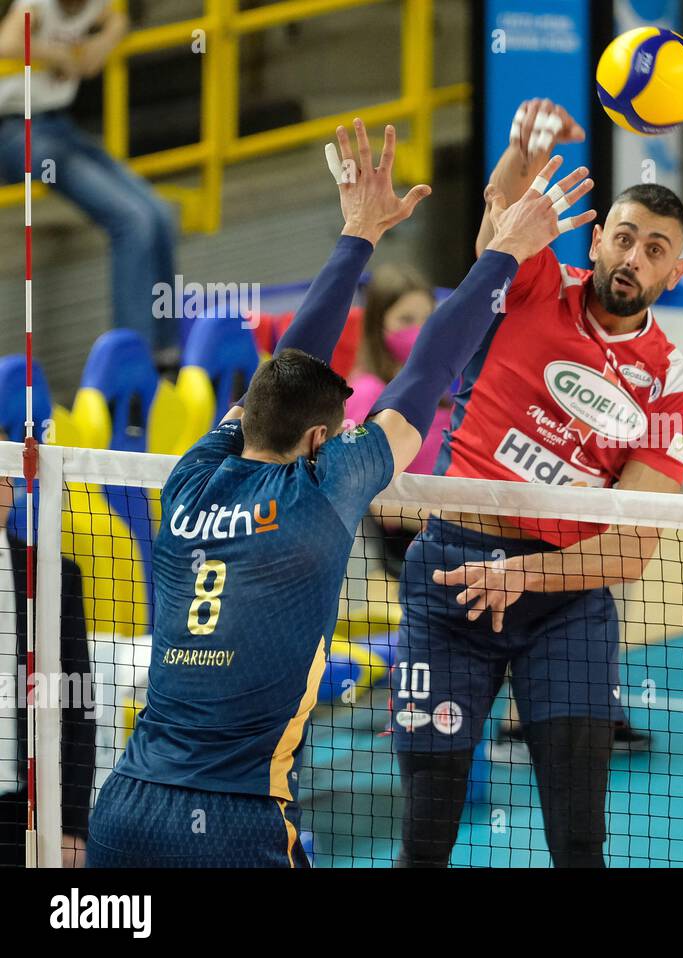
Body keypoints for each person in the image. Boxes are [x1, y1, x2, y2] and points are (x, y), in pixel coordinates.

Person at [84, 120, 592, 866]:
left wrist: (357, 235)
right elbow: (427, 373)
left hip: (122, 808)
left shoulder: (192, 474)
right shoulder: (323, 492)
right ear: (321, 442)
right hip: (235, 822)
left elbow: (287, 371)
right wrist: (505, 256)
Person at [393, 98, 683, 868]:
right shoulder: (533, 285)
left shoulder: (673, 384)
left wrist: (523, 575)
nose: (633, 258)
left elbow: (629, 553)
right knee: (426, 836)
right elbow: (501, 215)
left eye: (655, 249)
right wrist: (523, 149)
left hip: (562, 603)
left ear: (676, 271)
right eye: (624, 238)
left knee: (577, 843)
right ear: (596, 239)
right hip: (452, 578)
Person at [0, 1, 181, 367]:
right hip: (16, 132)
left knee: (160, 214)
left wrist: (98, 48)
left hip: (57, 125)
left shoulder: (90, 6)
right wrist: (60, 56)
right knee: (132, 222)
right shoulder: (35, 4)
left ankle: (166, 355)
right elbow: (5, 45)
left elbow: (117, 20)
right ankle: (131, 364)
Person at [0, 444, 96, 868]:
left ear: (14, 485)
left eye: (2, 477)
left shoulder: (53, 575)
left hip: (28, 807)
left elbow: (80, 707)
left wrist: (73, 824)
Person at [346, 264, 447, 576]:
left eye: (428, 319)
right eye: (405, 320)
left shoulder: (444, 385)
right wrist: (454, 518)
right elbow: (376, 501)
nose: (419, 330)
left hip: (456, 524)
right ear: (379, 325)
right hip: (413, 545)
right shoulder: (366, 394)